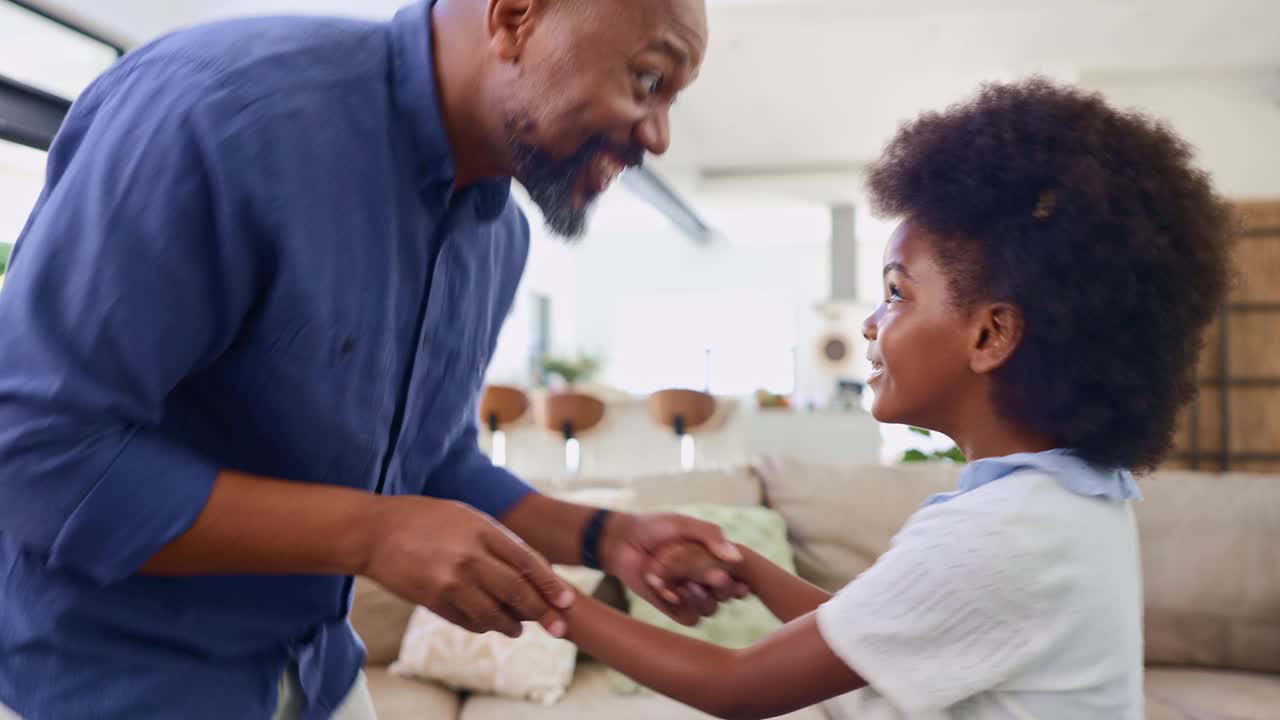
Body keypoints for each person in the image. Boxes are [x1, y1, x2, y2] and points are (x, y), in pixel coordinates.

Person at [0, 1, 742, 718]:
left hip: (315, 672)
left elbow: (431, 464)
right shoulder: (218, 112)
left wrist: (605, 537)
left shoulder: (495, 238)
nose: (661, 137)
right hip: (107, 682)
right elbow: (33, 454)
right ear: (515, 17)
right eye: (649, 81)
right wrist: (375, 533)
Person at [556, 78, 1232, 719]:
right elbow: (871, 632)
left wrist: (545, 597)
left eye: (896, 293)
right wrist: (749, 569)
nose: (869, 323)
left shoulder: (998, 534)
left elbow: (735, 686)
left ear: (991, 334)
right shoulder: (1069, 497)